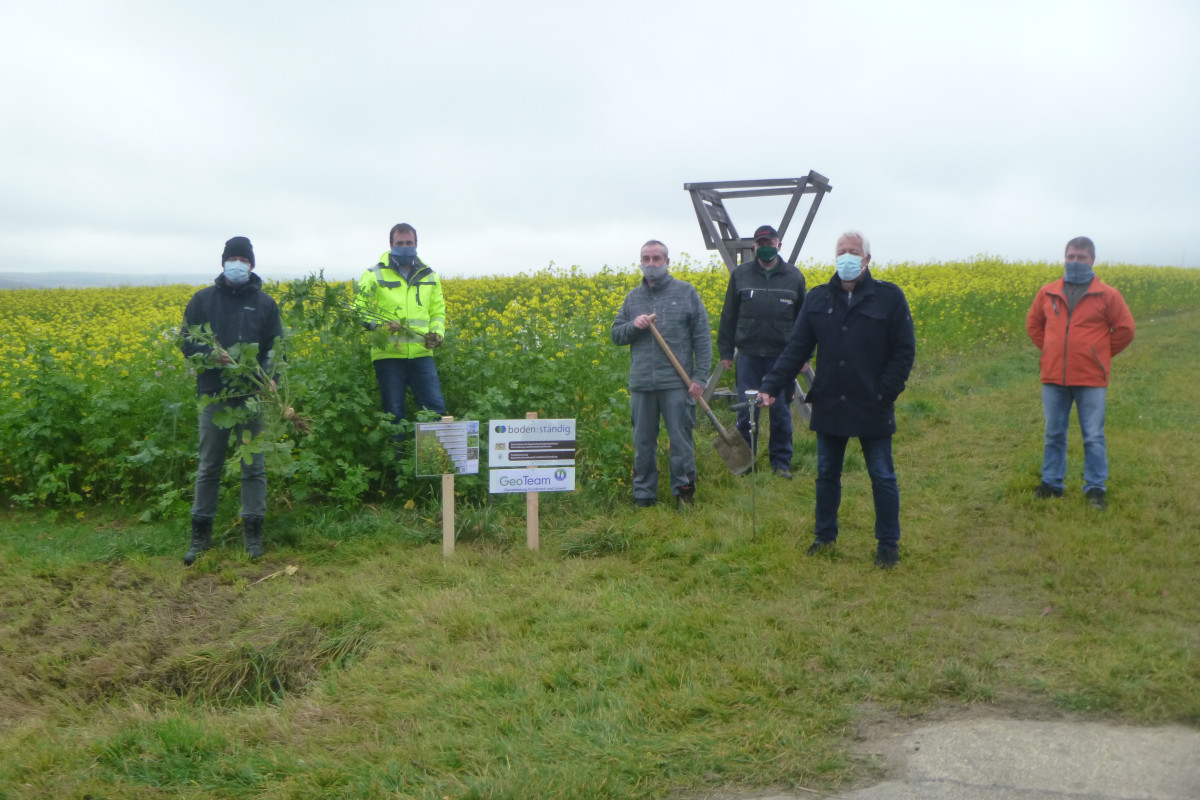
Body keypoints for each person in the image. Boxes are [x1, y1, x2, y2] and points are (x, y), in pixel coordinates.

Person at [757, 230, 915, 568]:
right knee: (827, 473)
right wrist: (770, 386)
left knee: (882, 474)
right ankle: (824, 537)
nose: (847, 256)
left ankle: (888, 545)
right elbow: (796, 349)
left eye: (854, 251)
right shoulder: (817, 299)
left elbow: (903, 352)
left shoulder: (889, 298)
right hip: (831, 400)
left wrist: (885, 392)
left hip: (872, 402)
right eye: (842, 251)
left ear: (867, 259)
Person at [180, 236, 283, 565]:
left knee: (253, 466)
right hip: (213, 395)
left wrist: (271, 379)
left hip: (251, 398)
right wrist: (210, 353)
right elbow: (185, 342)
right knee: (209, 465)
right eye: (232, 258)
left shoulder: (265, 304)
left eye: (243, 259)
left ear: (251, 265)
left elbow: (275, 348)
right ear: (223, 262)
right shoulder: (202, 301)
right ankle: (200, 535)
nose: (237, 264)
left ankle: (253, 532)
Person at [1026, 236, 1135, 511]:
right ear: (1065, 257)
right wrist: (1051, 349)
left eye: (1081, 257)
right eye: (1071, 256)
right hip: (1053, 378)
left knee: (1093, 436)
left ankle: (1095, 488)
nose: (1075, 262)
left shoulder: (1108, 295)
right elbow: (1033, 325)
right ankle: (1051, 484)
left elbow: (1125, 329)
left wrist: (1099, 354)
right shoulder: (1048, 291)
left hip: (1091, 379)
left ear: (1092, 260)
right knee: (1053, 434)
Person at [611, 240, 712, 510]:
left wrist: (700, 378)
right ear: (641, 262)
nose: (651, 264)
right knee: (643, 442)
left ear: (667, 262)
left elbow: (702, 339)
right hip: (642, 383)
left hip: (677, 383)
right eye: (646, 258)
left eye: (657, 259)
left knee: (680, 440)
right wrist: (634, 325)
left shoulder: (686, 293)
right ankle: (644, 495)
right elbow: (616, 334)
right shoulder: (633, 298)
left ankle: (684, 492)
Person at [717, 224, 807, 478]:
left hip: (782, 358)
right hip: (748, 355)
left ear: (778, 246)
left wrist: (804, 357)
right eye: (760, 244)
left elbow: (804, 320)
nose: (765, 248)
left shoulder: (794, 277)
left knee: (780, 412)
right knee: (746, 411)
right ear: (754, 246)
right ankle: (746, 463)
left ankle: (781, 463)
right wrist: (726, 352)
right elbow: (729, 315)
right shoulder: (741, 275)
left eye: (770, 244)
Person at [355, 223, 447, 439]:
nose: (405, 247)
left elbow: (438, 312)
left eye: (409, 243)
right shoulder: (373, 274)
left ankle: (435, 465)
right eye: (400, 243)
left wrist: (437, 334)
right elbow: (359, 309)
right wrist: (379, 326)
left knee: (435, 411)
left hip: (422, 354)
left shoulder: (429, 275)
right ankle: (398, 469)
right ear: (390, 245)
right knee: (393, 415)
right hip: (388, 355)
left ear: (416, 244)